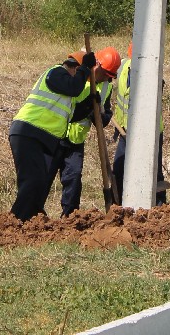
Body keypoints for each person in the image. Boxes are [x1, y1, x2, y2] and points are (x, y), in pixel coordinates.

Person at [8, 50, 97, 222]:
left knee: (40, 182)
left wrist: (89, 104)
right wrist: (86, 67)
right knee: (32, 181)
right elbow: (74, 88)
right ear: (73, 68)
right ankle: (16, 221)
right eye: (80, 74)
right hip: (28, 133)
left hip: (40, 138)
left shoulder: (65, 91)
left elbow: (72, 116)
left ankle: (32, 219)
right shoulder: (56, 73)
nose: (81, 80)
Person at [48, 45, 121, 216]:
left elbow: (104, 116)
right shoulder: (75, 72)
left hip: (76, 141)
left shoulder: (105, 87)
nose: (107, 79)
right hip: (55, 135)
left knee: (73, 179)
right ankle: (33, 213)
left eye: (111, 77)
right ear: (98, 66)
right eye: (106, 74)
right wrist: (86, 105)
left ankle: (70, 217)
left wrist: (100, 115)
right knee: (45, 177)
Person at [112, 43, 167, 206]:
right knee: (120, 169)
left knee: (152, 171)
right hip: (125, 130)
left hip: (149, 132)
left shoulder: (152, 74)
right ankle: (120, 206)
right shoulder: (123, 67)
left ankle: (160, 207)